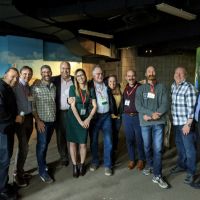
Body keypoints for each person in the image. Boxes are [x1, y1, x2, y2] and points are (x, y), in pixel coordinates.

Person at [135, 66, 169, 189]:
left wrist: (155, 115)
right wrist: (150, 114)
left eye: (153, 71)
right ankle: (150, 165)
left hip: (158, 123)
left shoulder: (162, 87)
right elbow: (138, 105)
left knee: (158, 148)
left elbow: (165, 104)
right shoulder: (140, 89)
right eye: (149, 71)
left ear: (156, 73)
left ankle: (157, 175)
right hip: (145, 123)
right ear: (145, 74)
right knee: (147, 146)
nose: (151, 73)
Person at [66, 69, 97, 177]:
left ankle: (82, 164)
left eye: (82, 75)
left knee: (83, 144)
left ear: (85, 76)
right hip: (73, 119)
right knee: (73, 143)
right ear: (76, 78)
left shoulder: (90, 89)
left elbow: (95, 106)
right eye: (78, 76)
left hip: (85, 119)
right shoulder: (72, 88)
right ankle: (75, 165)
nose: (80, 77)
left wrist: (88, 119)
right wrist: (80, 122)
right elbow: (73, 106)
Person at [170, 67, 197, 185]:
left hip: (185, 124)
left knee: (189, 149)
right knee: (180, 147)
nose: (178, 75)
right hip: (176, 123)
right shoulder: (173, 86)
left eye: (181, 73)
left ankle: (191, 172)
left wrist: (188, 124)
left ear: (185, 75)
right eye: (176, 73)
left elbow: (192, 109)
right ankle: (182, 165)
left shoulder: (189, 88)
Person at [89, 65, 116, 176]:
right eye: (97, 74)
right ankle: (95, 161)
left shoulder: (106, 84)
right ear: (93, 75)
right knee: (94, 141)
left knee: (108, 141)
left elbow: (117, 86)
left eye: (101, 73)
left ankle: (108, 165)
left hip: (106, 117)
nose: (100, 75)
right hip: (95, 118)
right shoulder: (89, 86)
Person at [32, 65, 56, 184]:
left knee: (45, 145)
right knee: (41, 146)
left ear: (51, 72)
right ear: (41, 73)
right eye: (43, 72)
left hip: (52, 121)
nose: (46, 73)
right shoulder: (35, 87)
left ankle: (42, 164)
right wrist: (38, 121)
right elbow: (33, 107)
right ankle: (42, 172)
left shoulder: (53, 86)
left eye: (48, 71)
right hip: (42, 122)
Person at [0, 67, 19, 200]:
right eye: (12, 76)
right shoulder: (1, 88)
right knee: (4, 160)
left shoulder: (8, 88)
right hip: (3, 131)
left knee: (6, 159)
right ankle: (2, 190)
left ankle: (4, 185)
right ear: (5, 75)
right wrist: (14, 118)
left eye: (16, 77)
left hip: (8, 129)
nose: (14, 79)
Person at [13, 66, 33, 187]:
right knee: (24, 147)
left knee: (23, 147)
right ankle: (16, 174)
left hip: (29, 118)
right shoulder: (15, 86)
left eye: (29, 74)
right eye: (25, 74)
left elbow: (30, 100)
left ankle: (20, 170)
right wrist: (16, 116)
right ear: (20, 74)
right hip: (20, 120)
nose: (27, 76)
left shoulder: (28, 87)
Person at [51, 61, 74, 166]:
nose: (65, 70)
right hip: (60, 113)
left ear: (70, 69)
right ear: (60, 69)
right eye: (63, 68)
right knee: (61, 136)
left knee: (74, 134)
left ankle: (74, 155)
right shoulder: (54, 80)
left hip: (73, 112)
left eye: (67, 68)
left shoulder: (74, 79)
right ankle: (64, 157)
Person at [122, 70, 145, 170]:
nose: (131, 78)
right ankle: (132, 159)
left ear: (136, 77)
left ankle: (141, 159)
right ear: (126, 77)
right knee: (129, 139)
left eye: (133, 76)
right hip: (127, 117)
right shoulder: (125, 88)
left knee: (139, 139)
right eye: (129, 76)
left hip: (137, 117)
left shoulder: (140, 87)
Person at [106, 75, 122, 164]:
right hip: (109, 118)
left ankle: (114, 152)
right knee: (109, 137)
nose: (112, 83)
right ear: (107, 83)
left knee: (115, 135)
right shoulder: (106, 91)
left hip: (118, 118)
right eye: (110, 81)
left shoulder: (120, 89)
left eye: (114, 81)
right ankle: (110, 155)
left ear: (117, 82)